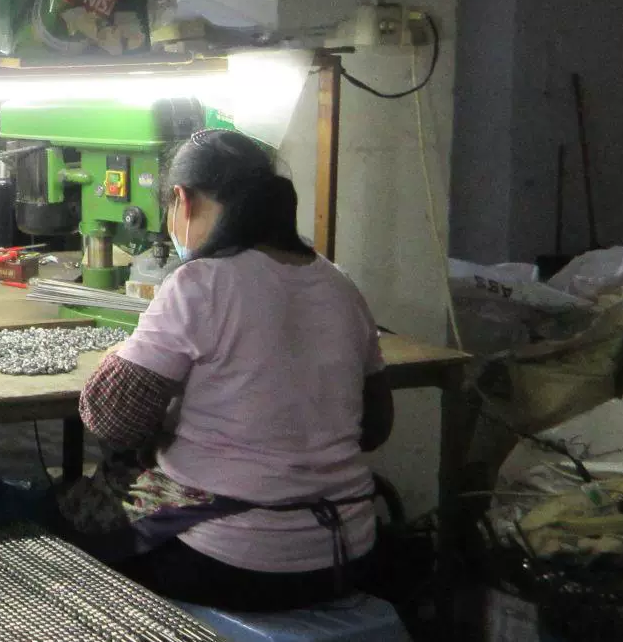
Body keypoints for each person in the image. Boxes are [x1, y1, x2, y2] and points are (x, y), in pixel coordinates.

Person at [71, 129, 393, 610]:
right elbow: (375, 427)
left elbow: (114, 420)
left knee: (65, 517)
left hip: (233, 561)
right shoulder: (339, 284)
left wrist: (116, 359)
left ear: (182, 200)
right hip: (348, 551)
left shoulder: (200, 283)